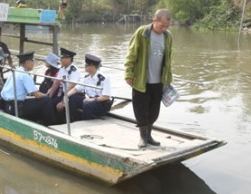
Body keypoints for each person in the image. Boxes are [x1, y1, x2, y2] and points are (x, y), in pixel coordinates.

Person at [124, 9, 173, 148]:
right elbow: (131, 53)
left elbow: (168, 59)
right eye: (161, 26)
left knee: (154, 111)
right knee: (141, 109)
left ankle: (149, 135)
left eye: (166, 27)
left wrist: (168, 78)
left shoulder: (168, 36)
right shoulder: (142, 33)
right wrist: (128, 73)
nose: (164, 29)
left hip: (158, 81)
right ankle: (142, 137)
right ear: (154, 20)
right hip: (141, 80)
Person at [0, 51, 55, 126]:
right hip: (15, 108)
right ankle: (50, 125)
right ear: (27, 62)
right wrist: (47, 95)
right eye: (32, 62)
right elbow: (37, 95)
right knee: (47, 100)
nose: (33, 64)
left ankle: (37, 120)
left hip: (6, 105)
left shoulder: (16, 71)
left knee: (34, 101)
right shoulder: (25, 75)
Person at [67, 53, 113, 120]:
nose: (84, 67)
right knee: (74, 97)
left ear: (93, 67)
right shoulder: (86, 78)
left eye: (86, 65)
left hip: (101, 103)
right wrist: (65, 96)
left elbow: (106, 97)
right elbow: (75, 89)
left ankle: (85, 122)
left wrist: (92, 100)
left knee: (87, 104)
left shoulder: (104, 78)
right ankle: (73, 119)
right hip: (91, 101)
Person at [47, 48, 80, 122]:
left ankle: (70, 123)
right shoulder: (62, 69)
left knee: (68, 106)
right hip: (64, 93)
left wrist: (62, 101)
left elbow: (72, 87)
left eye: (62, 58)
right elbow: (56, 82)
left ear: (69, 59)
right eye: (61, 58)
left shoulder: (74, 71)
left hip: (72, 94)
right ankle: (53, 123)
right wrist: (50, 96)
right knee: (50, 103)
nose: (60, 60)